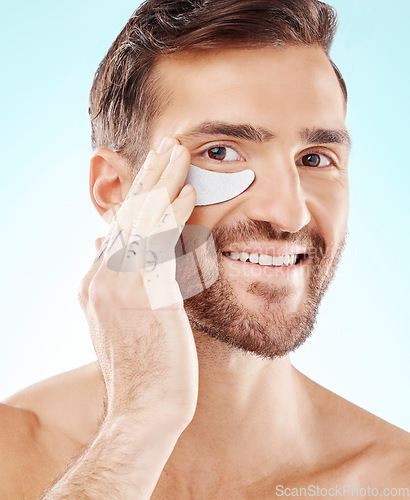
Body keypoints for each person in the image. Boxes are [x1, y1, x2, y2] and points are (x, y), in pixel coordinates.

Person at [1, 0, 409, 498]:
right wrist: (138, 424)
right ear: (114, 190)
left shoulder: (395, 480)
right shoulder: (12, 454)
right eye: (220, 152)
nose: (290, 213)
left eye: (315, 157)